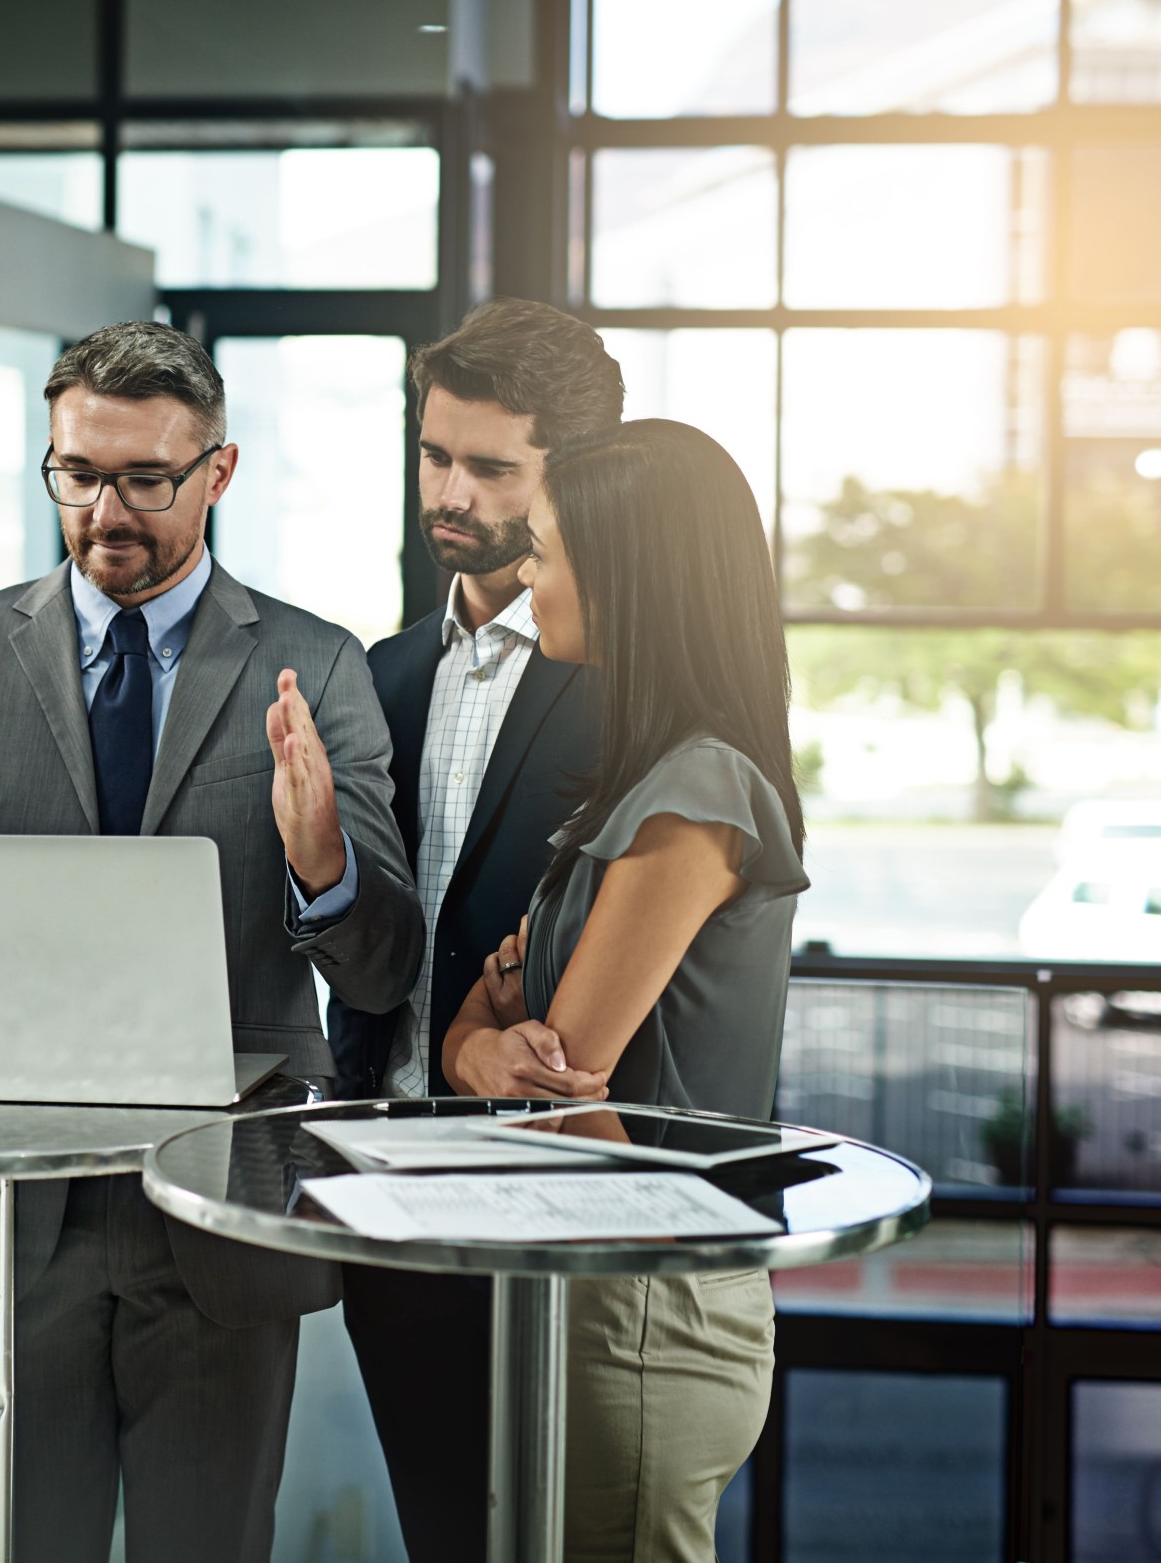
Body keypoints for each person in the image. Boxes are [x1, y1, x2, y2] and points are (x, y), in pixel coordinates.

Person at [0, 321, 422, 1563]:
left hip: (223, 1204)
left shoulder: (312, 666)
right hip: (19, 1199)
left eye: (146, 480)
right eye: (76, 474)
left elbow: (382, 970)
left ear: (217, 471)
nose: (108, 511)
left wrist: (321, 859)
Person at [447, 417, 809, 1563]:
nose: (525, 575)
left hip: (645, 1294)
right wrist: (485, 1050)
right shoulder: (635, 789)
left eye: (545, 551)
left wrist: (510, 1052)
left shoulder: (695, 791)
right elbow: (485, 1024)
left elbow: (558, 1082)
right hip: (603, 1273)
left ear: (629, 577)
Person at [329, 298, 618, 1561]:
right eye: (436, 455)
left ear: (574, 480)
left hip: (563, 1182)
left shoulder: (619, 681)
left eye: (491, 468)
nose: (450, 492)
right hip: (390, 1180)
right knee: (439, 1531)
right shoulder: (381, 674)